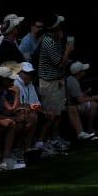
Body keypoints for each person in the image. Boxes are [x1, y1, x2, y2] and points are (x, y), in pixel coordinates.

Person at [36, 15, 73, 151]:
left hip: (56, 80)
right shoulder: (48, 42)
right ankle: (41, 142)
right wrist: (68, 51)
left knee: (58, 112)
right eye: (59, 25)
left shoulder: (55, 38)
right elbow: (59, 62)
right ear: (55, 27)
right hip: (49, 82)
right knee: (50, 115)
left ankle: (54, 138)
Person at [66, 61, 98, 140]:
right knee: (94, 104)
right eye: (83, 70)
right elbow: (80, 100)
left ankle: (90, 130)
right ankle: (86, 131)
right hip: (71, 107)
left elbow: (78, 95)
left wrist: (86, 93)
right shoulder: (72, 81)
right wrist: (96, 97)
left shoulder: (73, 80)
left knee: (93, 104)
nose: (85, 71)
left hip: (73, 105)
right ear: (79, 72)